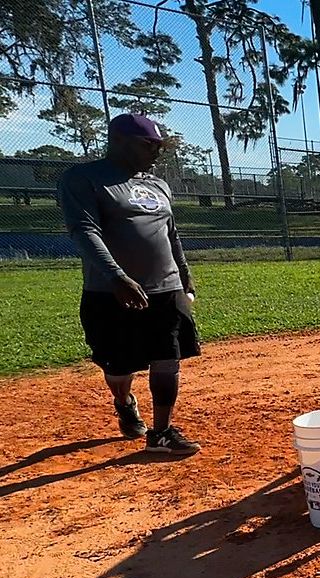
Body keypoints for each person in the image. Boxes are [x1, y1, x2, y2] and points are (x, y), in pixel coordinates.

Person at [58, 113, 202, 455]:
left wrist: (184, 277)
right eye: (149, 145)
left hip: (165, 288)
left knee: (168, 358)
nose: (157, 152)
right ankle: (123, 402)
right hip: (110, 293)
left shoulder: (158, 184)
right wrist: (117, 276)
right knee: (119, 365)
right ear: (120, 141)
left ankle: (161, 432)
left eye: (159, 146)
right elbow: (84, 230)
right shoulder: (85, 179)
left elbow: (171, 233)